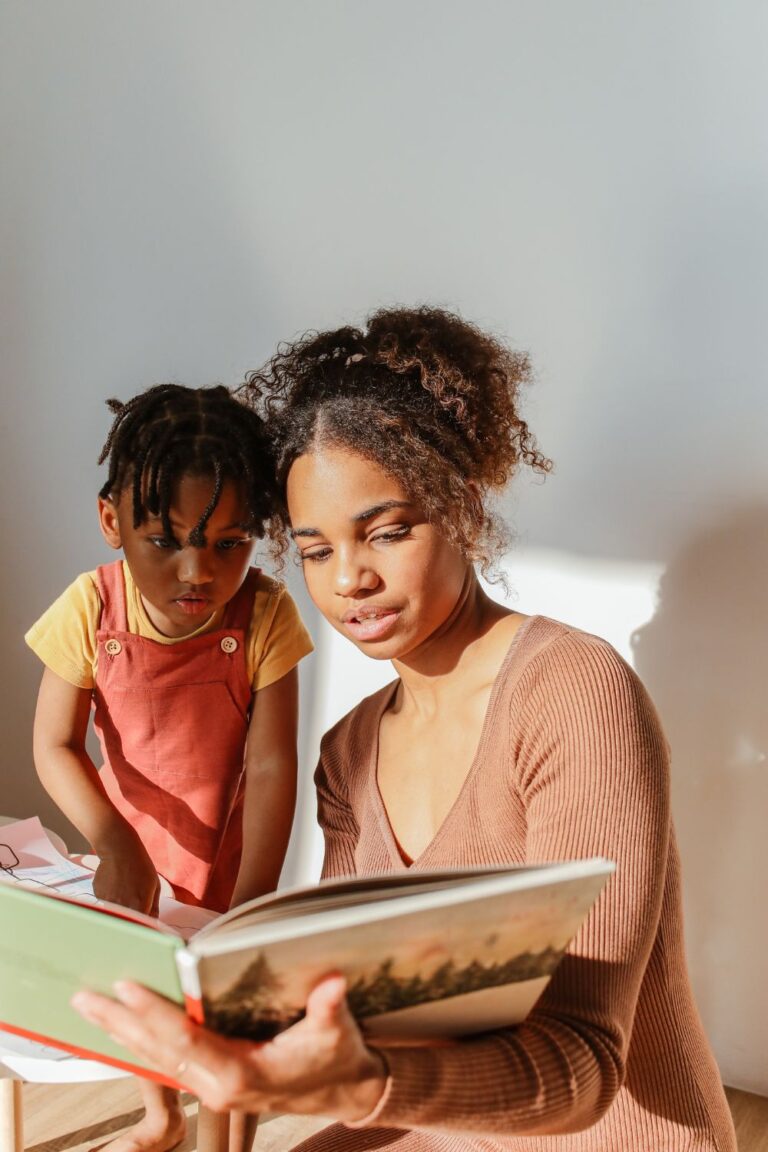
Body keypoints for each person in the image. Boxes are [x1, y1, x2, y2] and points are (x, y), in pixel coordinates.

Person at [72, 311, 737, 1151]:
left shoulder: (573, 692)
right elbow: (395, 1042)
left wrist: (359, 1079)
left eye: (386, 531)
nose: (351, 578)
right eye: (314, 551)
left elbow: (583, 1067)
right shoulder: (347, 752)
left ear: (459, 505)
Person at [27, 383, 313, 1152]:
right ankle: (160, 1114)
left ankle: (227, 1141)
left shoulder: (267, 615)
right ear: (112, 522)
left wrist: (254, 897)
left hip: (232, 850)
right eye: (167, 541)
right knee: (144, 983)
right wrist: (113, 842)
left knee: (230, 1015)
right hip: (132, 844)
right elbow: (53, 744)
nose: (199, 570)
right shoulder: (89, 607)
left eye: (229, 542)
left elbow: (275, 761)